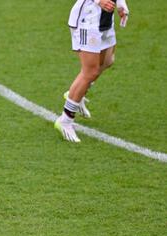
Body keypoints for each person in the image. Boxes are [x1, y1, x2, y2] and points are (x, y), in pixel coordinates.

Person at [55, 0, 129, 142]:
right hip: (87, 21)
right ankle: (65, 119)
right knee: (90, 72)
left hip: (105, 19)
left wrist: (120, 4)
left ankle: (76, 94)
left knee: (108, 61)